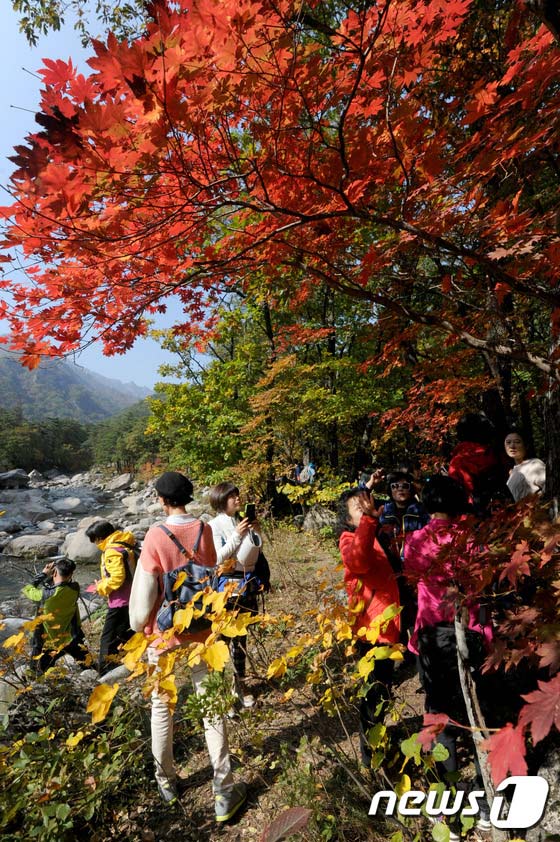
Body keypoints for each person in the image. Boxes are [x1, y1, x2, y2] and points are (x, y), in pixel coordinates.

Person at [128, 471, 247, 821]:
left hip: (164, 636)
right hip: (202, 632)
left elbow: (147, 591)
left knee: (161, 707)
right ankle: (223, 791)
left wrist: (139, 627)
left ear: (162, 500)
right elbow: (209, 574)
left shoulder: (154, 534)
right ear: (190, 496)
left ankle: (166, 782)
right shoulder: (204, 530)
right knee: (212, 706)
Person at [404, 475, 493, 838]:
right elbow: (484, 587)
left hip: (430, 636)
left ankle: (449, 811)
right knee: (477, 713)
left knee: (439, 717)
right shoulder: (471, 539)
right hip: (468, 633)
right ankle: (486, 803)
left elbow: (411, 578)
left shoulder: (416, 539)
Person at [337, 487, 400, 767]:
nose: (364, 511)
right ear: (348, 518)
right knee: (374, 694)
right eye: (357, 509)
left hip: (389, 626)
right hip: (372, 631)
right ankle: (370, 756)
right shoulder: (348, 539)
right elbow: (359, 562)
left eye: (366, 506)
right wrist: (369, 522)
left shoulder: (378, 534)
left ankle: (379, 741)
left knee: (383, 689)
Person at [209, 482, 267, 709]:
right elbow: (217, 559)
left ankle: (238, 688)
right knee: (225, 640)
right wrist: (236, 535)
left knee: (241, 639)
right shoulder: (214, 525)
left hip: (247, 585)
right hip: (227, 590)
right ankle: (226, 692)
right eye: (232, 496)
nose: (237, 499)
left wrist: (256, 532)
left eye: (237, 494)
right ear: (221, 500)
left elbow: (255, 554)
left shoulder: (241, 520)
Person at [377, 470, 430, 649]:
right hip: (390, 567)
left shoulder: (421, 511)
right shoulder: (384, 511)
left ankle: (417, 646)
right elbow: (360, 501)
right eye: (395, 486)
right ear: (389, 489)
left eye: (405, 486)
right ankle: (400, 647)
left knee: (415, 608)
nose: (400, 489)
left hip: (415, 568)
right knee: (395, 607)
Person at [85, 520, 137, 675]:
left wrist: (100, 587)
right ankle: (127, 665)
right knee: (126, 633)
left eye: (94, 540)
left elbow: (117, 578)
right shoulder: (125, 542)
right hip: (132, 596)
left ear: (100, 538)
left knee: (108, 639)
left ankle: (106, 672)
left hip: (120, 601)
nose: (95, 544)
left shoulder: (111, 551)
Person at [22, 557, 89, 674]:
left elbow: (27, 589)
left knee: (36, 673)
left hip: (47, 642)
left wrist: (43, 574)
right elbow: (59, 585)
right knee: (88, 664)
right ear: (71, 574)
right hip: (71, 637)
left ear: (55, 572)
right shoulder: (75, 588)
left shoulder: (45, 594)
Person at [447, 412, 507, 516]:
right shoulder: (495, 453)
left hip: (474, 516)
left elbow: (455, 496)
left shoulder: (458, 462)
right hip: (502, 510)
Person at [504, 429, 546, 501]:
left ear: (526, 445)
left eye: (517, 442)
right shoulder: (513, 470)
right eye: (508, 442)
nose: (512, 446)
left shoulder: (535, 464)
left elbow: (550, 488)